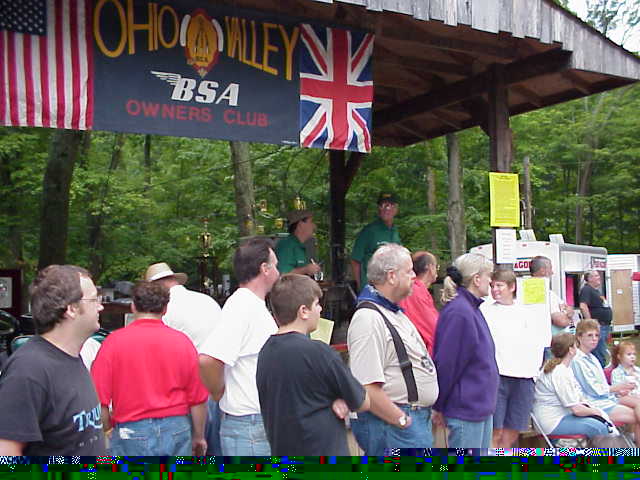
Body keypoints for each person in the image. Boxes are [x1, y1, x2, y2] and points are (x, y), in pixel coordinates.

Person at [91, 281, 208, 456]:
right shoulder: (182, 342)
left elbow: (98, 399)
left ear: (133, 307)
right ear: (165, 309)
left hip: (131, 429)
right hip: (177, 427)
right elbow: (198, 398)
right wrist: (199, 436)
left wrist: (108, 429)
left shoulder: (113, 343)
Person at [257, 274, 369, 455]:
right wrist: (343, 399)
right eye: (316, 304)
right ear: (303, 311)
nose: (320, 309)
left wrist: (337, 398)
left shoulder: (265, 352)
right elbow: (362, 401)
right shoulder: (319, 352)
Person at [0, 265, 106, 455]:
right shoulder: (28, 371)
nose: (101, 306)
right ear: (71, 309)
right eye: (94, 299)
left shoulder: (73, 357)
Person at [348, 243, 438, 455]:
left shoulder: (391, 312)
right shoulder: (368, 319)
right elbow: (366, 387)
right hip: (396, 427)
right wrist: (402, 420)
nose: (414, 276)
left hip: (410, 422)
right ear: (391, 276)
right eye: (409, 271)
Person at [199, 237, 279, 456]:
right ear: (265, 269)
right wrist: (218, 392)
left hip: (256, 423)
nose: (278, 272)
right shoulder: (242, 306)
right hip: (248, 425)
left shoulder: (251, 305)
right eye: (276, 265)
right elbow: (207, 360)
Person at [145, 261, 223, 455]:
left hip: (189, 392)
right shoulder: (207, 301)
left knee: (192, 452)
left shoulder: (165, 309)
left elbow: (161, 357)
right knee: (216, 452)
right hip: (219, 384)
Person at [432, 253, 498, 448]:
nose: (491, 281)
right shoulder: (459, 312)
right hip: (466, 410)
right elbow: (447, 363)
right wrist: (439, 404)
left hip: (480, 407)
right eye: (488, 276)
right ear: (476, 279)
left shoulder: (471, 308)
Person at [480, 269, 546, 448]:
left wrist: (534, 371)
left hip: (524, 377)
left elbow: (537, 342)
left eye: (499, 285)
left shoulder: (526, 312)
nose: (495, 290)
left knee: (513, 429)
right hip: (497, 377)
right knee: (495, 429)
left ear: (512, 287)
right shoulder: (485, 310)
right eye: (492, 286)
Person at [571, 319, 640, 445]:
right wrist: (617, 387)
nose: (594, 339)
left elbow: (602, 386)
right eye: (590, 335)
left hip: (607, 399)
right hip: (594, 404)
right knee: (636, 416)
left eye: (596, 335)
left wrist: (618, 391)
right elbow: (593, 390)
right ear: (579, 337)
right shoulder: (577, 360)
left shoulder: (592, 358)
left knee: (637, 404)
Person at [532, 333, 611, 440]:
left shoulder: (563, 368)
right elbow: (576, 410)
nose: (577, 349)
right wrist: (597, 412)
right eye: (576, 346)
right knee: (599, 428)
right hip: (552, 421)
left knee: (600, 422)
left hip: (561, 416)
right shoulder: (560, 372)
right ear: (571, 350)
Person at [351, 192, 401, 292]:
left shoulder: (395, 231)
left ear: (396, 208)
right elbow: (355, 260)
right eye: (381, 205)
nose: (385, 209)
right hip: (373, 288)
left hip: (391, 288)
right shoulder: (369, 231)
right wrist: (361, 287)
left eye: (389, 205)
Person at [529, 256, 573, 359]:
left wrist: (567, 311)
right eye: (550, 268)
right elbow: (561, 321)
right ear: (543, 270)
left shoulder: (526, 292)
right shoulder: (546, 295)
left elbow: (568, 309)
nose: (552, 272)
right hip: (551, 345)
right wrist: (568, 315)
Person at [399, 251, 439, 357]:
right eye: (436, 266)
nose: (436, 270)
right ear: (430, 267)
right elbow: (433, 327)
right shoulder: (417, 291)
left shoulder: (414, 289)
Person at [579, 270, 613, 367]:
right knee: (598, 352)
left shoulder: (596, 291)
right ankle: (599, 371)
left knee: (602, 350)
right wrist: (591, 323)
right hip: (597, 326)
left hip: (604, 325)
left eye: (598, 275)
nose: (599, 277)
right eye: (596, 276)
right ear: (589, 279)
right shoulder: (586, 290)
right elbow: (583, 306)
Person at [274, 210, 322, 277]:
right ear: (300, 224)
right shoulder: (287, 245)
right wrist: (306, 269)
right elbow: (283, 275)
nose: (314, 226)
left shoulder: (300, 246)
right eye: (311, 222)